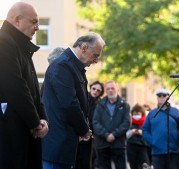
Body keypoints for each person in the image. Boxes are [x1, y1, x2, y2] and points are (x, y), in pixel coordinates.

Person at [42, 33, 105, 169]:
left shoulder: (72, 66)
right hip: (57, 143)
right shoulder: (63, 66)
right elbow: (70, 103)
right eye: (95, 55)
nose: (96, 61)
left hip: (63, 141)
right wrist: (84, 129)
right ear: (84, 47)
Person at [0, 2, 49, 169]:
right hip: (12, 130)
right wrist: (36, 123)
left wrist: (43, 119)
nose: (38, 27)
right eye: (34, 22)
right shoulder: (4, 43)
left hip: (23, 127)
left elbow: (33, 88)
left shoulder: (20, 45)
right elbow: (15, 87)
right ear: (17, 20)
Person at [93, 80, 130, 169]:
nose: (110, 90)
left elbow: (126, 123)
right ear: (106, 91)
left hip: (118, 144)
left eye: (112, 88)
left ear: (117, 89)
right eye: (108, 89)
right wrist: (106, 135)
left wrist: (114, 134)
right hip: (102, 144)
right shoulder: (99, 105)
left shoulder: (125, 105)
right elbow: (95, 122)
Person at [142, 89, 179, 169]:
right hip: (157, 152)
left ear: (168, 97)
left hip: (173, 152)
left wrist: (178, 143)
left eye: (164, 95)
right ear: (157, 98)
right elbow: (145, 130)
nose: (162, 97)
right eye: (159, 96)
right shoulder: (152, 113)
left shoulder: (176, 112)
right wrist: (153, 141)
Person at [75, 81, 104, 169]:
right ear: (90, 88)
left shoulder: (100, 105)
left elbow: (98, 121)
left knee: (87, 162)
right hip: (78, 135)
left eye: (98, 90)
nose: (95, 91)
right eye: (94, 88)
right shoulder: (82, 98)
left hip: (90, 137)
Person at [126, 103, 150, 169]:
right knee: (133, 165)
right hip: (131, 146)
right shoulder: (129, 122)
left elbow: (148, 134)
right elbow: (125, 135)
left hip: (143, 146)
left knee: (145, 165)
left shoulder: (145, 122)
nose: (136, 116)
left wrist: (141, 132)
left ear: (142, 114)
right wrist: (132, 132)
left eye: (138, 114)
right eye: (134, 114)